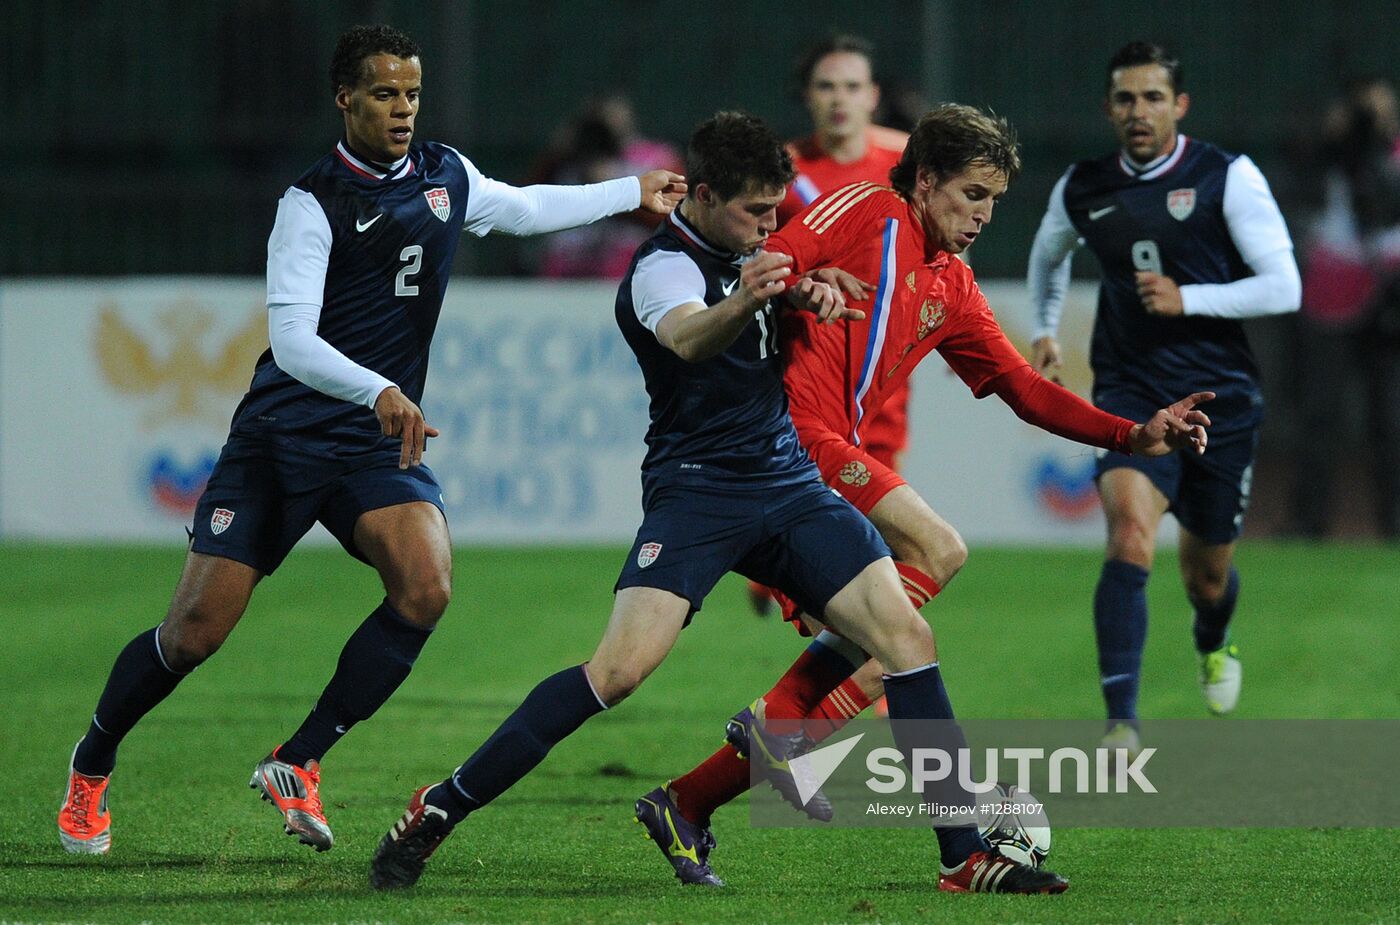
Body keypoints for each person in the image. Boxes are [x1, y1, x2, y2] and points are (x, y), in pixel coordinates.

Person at [366, 111, 1101, 896]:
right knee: (615, 673)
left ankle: (963, 854)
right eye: (755, 213)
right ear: (706, 196)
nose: (770, 228)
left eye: (775, 212)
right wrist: (756, 295)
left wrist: (803, 288)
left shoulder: (762, 255)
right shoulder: (662, 270)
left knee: (907, 633)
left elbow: (786, 283)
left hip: (786, 484)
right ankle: (440, 804)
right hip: (697, 491)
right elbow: (688, 338)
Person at [56, 23, 685, 856]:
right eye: (385, 93)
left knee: (426, 585)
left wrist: (627, 190)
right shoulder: (311, 205)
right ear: (344, 97)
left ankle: (300, 757)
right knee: (193, 636)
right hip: (281, 440)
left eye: (412, 94)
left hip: (368, 444)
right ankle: (91, 763)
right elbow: (292, 336)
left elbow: (527, 207)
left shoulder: (444, 175)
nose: (402, 109)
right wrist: (381, 387)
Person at [635, 104, 1215, 887]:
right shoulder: (870, 209)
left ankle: (703, 790)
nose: (981, 214)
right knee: (933, 559)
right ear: (929, 179)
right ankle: (891, 803)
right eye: (972, 193)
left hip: (826, 450)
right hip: (783, 444)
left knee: (891, 645)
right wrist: (804, 282)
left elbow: (1023, 388)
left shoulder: (953, 283)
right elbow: (766, 258)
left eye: (994, 201)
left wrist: (1132, 434)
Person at [1025, 42, 1300, 752]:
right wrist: (1046, 327)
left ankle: (1214, 636)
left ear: (1179, 105)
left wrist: (1190, 298)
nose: (1138, 111)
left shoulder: (1226, 176)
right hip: (1130, 389)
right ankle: (1122, 723)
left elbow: (1284, 286)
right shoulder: (1084, 185)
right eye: (1125, 99)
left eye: (1153, 98)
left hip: (1221, 398)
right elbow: (1047, 253)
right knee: (1128, 535)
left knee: (1207, 578)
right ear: (1109, 108)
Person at [1291, 77, 1400, 538]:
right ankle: (1309, 522)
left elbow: (1386, 208)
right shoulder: (1327, 154)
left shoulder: (1392, 158)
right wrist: (1329, 141)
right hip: (1329, 295)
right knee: (1320, 414)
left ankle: (1393, 524)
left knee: (1391, 419)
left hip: (1389, 293)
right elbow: (1298, 193)